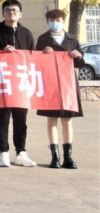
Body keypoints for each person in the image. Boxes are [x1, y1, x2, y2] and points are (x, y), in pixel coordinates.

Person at [0, 0, 37, 168]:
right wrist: (1, 52)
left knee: (21, 119)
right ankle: (4, 152)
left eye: (14, 10)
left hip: (21, 83)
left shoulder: (26, 33)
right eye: (7, 10)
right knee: (3, 119)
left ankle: (21, 152)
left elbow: (32, 57)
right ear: (3, 13)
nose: (11, 12)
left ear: (20, 14)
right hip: (2, 83)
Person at [36, 9, 83, 170]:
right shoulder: (43, 39)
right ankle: (54, 157)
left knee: (67, 120)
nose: (55, 23)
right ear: (48, 22)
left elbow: (79, 62)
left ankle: (68, 157)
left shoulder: (72, 38)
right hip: (50, 82)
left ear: (63, 21)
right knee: (52, 119)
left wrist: (78, 56)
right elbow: (36, 62)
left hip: (68, 83)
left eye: (58, 20)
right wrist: (43, 54)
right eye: (52, 20)